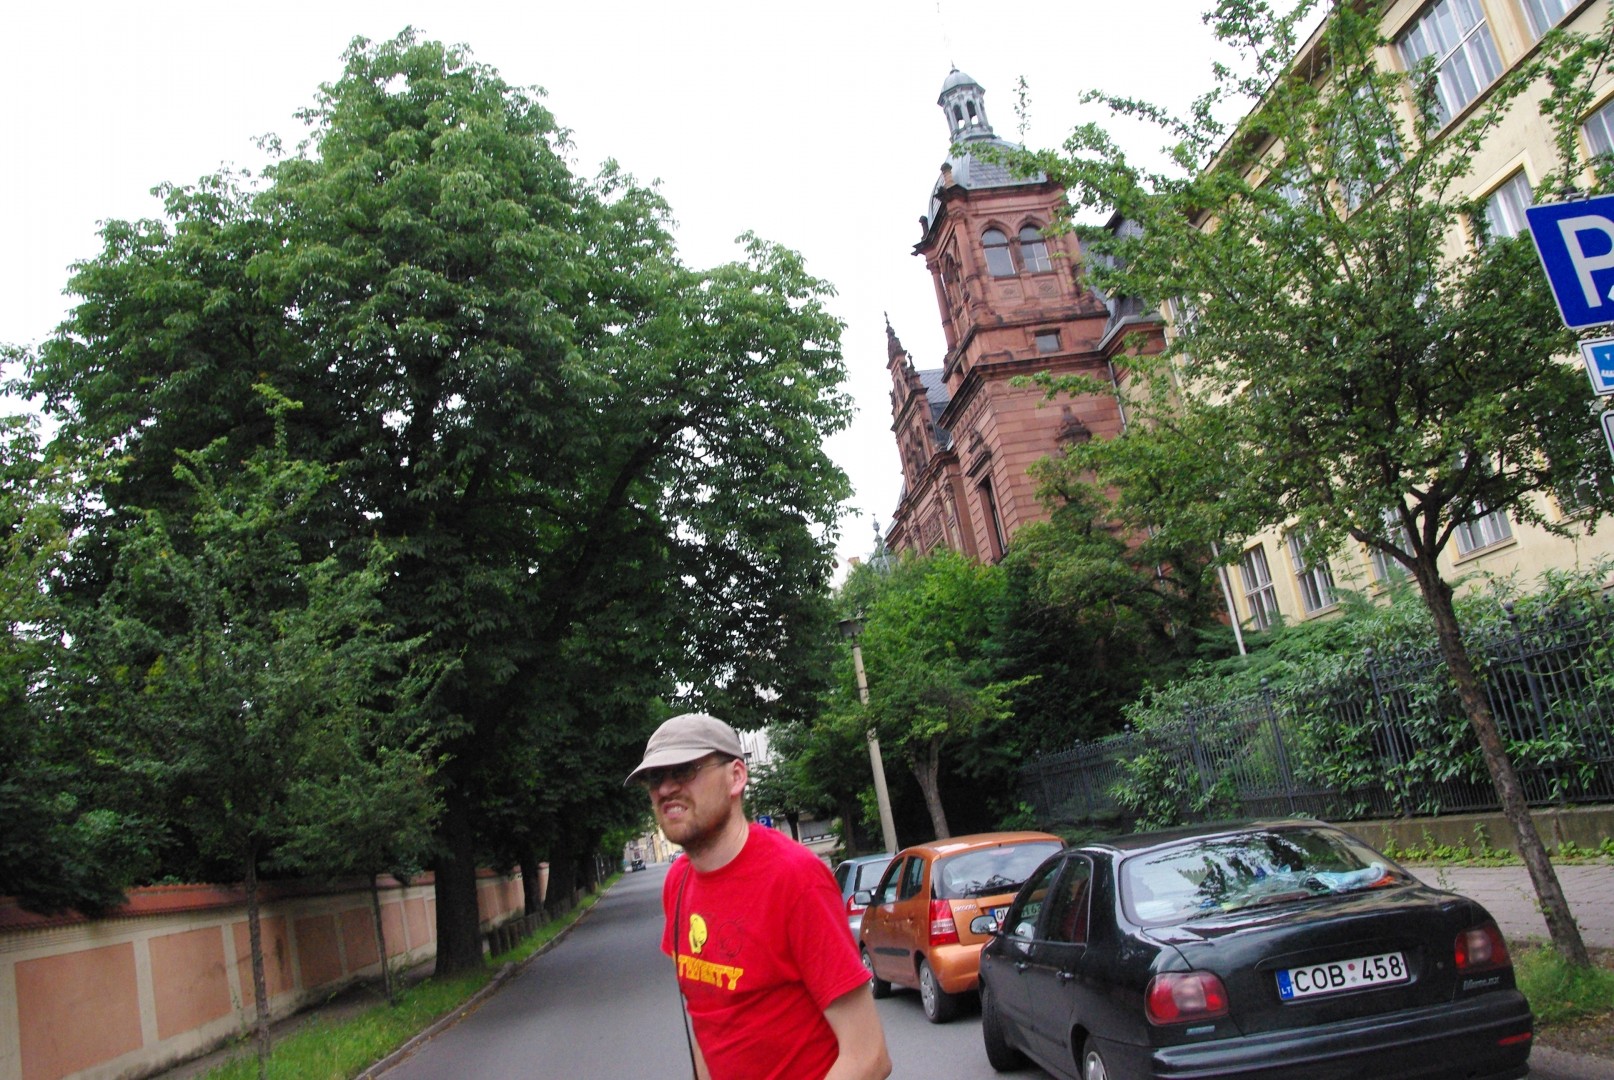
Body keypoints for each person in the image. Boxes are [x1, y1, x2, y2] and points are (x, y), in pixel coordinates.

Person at [626, 712, 892, 1080]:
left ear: (736, 776)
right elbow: (708, 1022)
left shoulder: (794, 878)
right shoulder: (678, 883)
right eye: (655, 778)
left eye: (684, 770)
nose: (666, 788)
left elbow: (869, 1056)